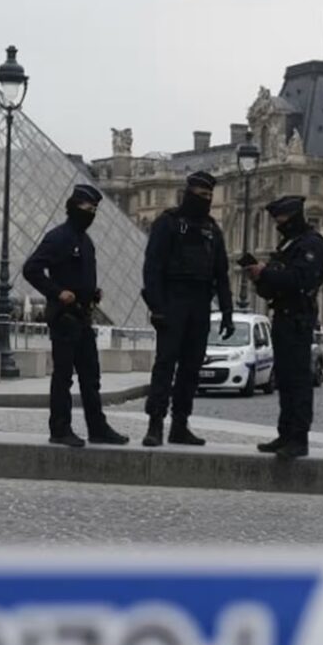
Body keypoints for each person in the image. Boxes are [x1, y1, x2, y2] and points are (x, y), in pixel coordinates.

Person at [22, 184, 129, 448]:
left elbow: (82, 276)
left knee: (91, 377)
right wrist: (57, 292)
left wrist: (93, 293)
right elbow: (31, 268)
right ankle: (60, 429)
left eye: (94, 209)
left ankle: (97, 428)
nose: (91, 213)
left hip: (83, 316)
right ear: (73, 206)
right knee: (63, 377)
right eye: (87, 208)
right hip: (64, 318)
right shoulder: (57, 237)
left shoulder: (86, 242)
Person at [141, 171, 233, 446]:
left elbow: (222, 274)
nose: (206, 199)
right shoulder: (168, 223)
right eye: (201, 194)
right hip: (173, 300)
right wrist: (157, 307)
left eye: (209, 195)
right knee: (165, 365)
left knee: (191, 368)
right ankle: (155, 424)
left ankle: (180, 424)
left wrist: (227, 312)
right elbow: (152, 267)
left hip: (200, 303)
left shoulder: (212, 230)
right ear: (188, 193)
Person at [243, 195, 323, 458]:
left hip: (298, 318)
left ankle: (299, 438)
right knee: (284, 378)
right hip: (282, 315)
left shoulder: (312, 244)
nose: (278, 224)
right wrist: (259, 278)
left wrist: (266, 273)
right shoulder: (288, 244)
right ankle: (285, 433)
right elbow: (274, 286)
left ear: (293, 216)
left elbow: (301, 280)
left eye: (280, 219)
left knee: (298, 380)